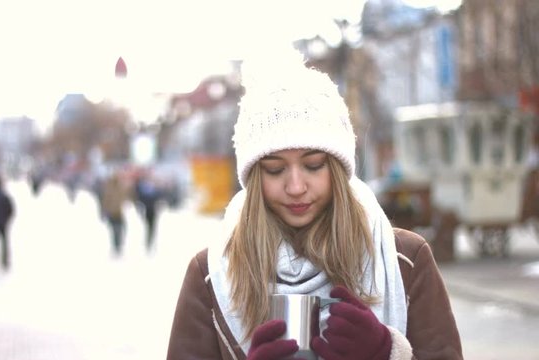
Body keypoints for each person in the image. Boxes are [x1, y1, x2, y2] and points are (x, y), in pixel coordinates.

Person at [167, 54, 463, 359]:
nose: (296, 187)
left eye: (313, 165)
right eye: (274, 169)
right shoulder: (210, 275)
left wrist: (387, 354)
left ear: (337, 168)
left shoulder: (405, 260)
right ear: (253, 179)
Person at [101, 171, 131, 255]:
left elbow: (127, 196)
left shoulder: (121, 188)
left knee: (119, 230)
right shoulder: (109, 189)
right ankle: (116, 246)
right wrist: (104, 211)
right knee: (115, 230)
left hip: (119, 213)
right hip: (113, 213)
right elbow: (105, 201)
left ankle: (118, 245)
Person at [134, 169, 161, 252]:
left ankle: (150, 242)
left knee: (152, 227)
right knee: (149, 226)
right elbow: (139, 197)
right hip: (146, 209)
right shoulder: (142, 185)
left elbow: (158, 195)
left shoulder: (153, 185)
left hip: (153, 209)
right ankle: (148, 242)